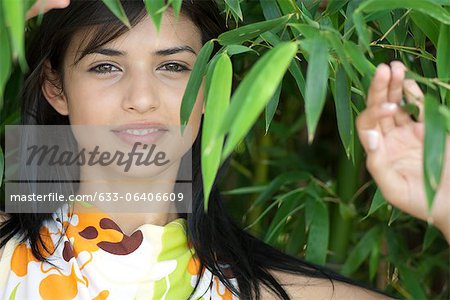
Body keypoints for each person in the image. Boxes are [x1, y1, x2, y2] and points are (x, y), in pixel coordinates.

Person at [0, 0, 448, 299]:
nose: (142, 97)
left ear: (212, 89)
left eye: (173, 66)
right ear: (55, 88)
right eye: (105, 66)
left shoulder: (275, 292)